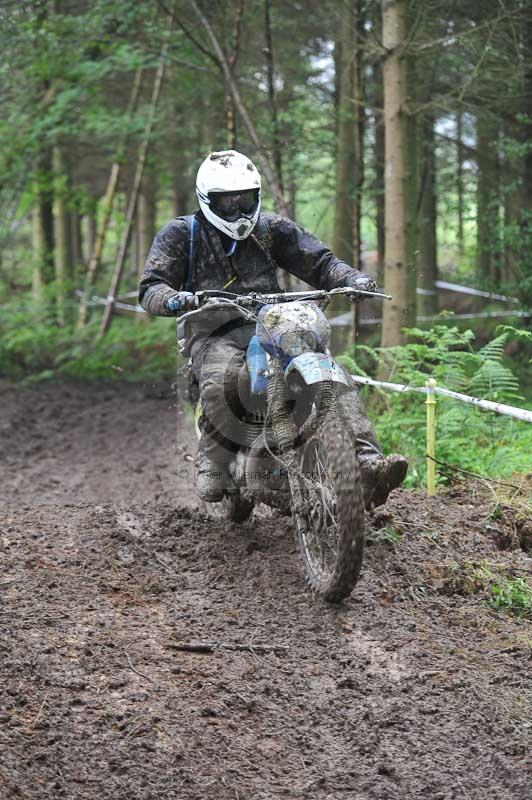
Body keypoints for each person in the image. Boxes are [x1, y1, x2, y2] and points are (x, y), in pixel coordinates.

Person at [139, 149, 407, 505]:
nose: (237, 210)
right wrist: (175, 298)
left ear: (256, 196)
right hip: (213, 329)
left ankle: (366, 459)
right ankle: (214, 463)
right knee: (222, 379)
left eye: (244, 200)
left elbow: (320, 261)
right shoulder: (181, 234)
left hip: (273, 321)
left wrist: (351, 278)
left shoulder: (271, 229)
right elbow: (151, 286)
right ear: (207, 200)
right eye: (226, 202)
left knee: (332, 373)